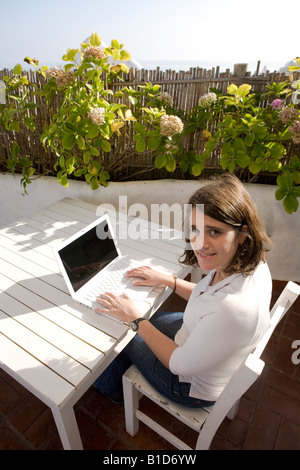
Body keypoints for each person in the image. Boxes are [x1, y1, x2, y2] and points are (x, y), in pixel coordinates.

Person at [93, 174, 272, 407]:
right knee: (138, 323)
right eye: (195, 229)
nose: (200, 243)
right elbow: (208, 296)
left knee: (123, 336)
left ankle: (107, 388)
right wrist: (167, 280)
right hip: (200, 339)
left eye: (214, 232)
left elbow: (179, 364)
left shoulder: (233, 307)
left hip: (188, 385)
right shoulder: (253, 264)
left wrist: (135, 320)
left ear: (242, 233)